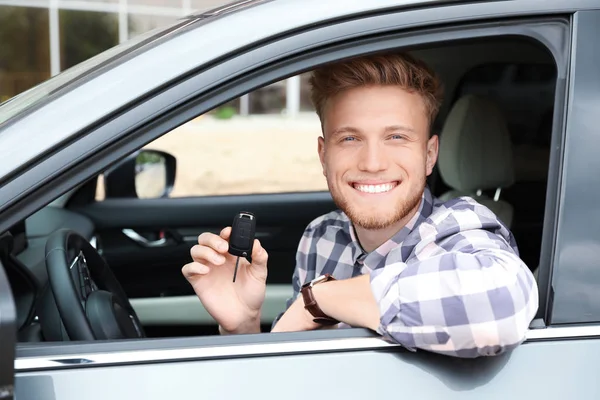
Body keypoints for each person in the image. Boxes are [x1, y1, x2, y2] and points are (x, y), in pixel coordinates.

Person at [182, 53, 539, 358]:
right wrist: (242, 327)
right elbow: (293, 372)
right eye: (350, 138)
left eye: (396, 137)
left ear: (429, 155)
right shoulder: (320, 236)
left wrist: (319, 300)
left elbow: (502, 304)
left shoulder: (458, 227)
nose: (372, 162)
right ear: (324, 156)